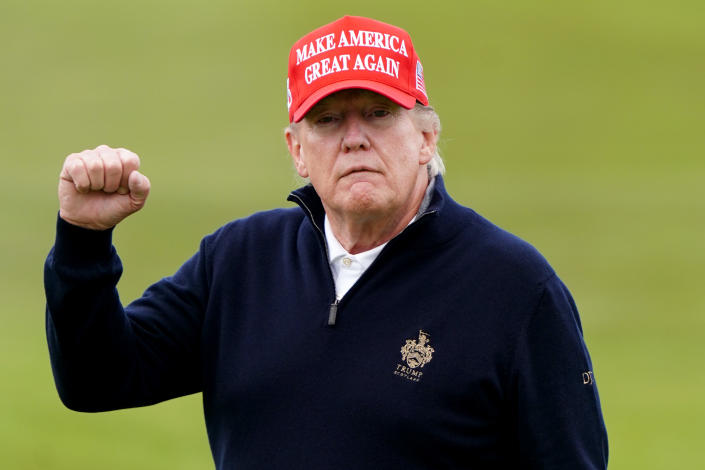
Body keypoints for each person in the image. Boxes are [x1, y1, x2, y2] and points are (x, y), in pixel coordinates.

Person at [44, 15, 608, 469]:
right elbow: (96, 380)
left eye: (380, 114)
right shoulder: (239, 261)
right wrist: (83, 242)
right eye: (329, 119)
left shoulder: (513, 287)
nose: (354, 139)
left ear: (425, 136)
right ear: (296, 148)